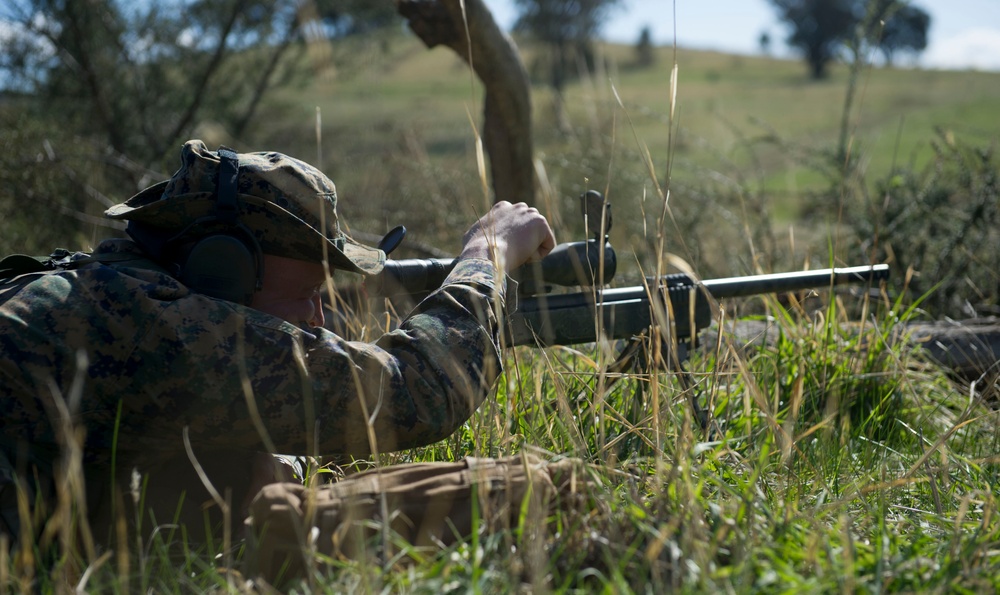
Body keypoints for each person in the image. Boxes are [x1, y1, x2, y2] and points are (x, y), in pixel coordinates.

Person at [0, 139, 555, 548]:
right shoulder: (152, 325)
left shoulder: (103, 296)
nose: (320, 317)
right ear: (221, 270)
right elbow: (418, 389)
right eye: (309, 292)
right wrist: (487, 254)